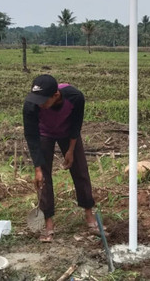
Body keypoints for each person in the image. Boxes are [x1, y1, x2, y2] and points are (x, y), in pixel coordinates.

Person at [23, 74, 97, 242]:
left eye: (43, 101)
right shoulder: (31, 105)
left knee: (80, 170)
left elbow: (76, 125)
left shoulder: (75, 97)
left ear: (55, 95)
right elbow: (31, 136)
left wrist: (70, 150)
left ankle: (89, 215)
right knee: (44, 178)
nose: (39, 104)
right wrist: (38, 168)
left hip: (67, 133)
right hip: (44, 134)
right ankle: (48, 223)